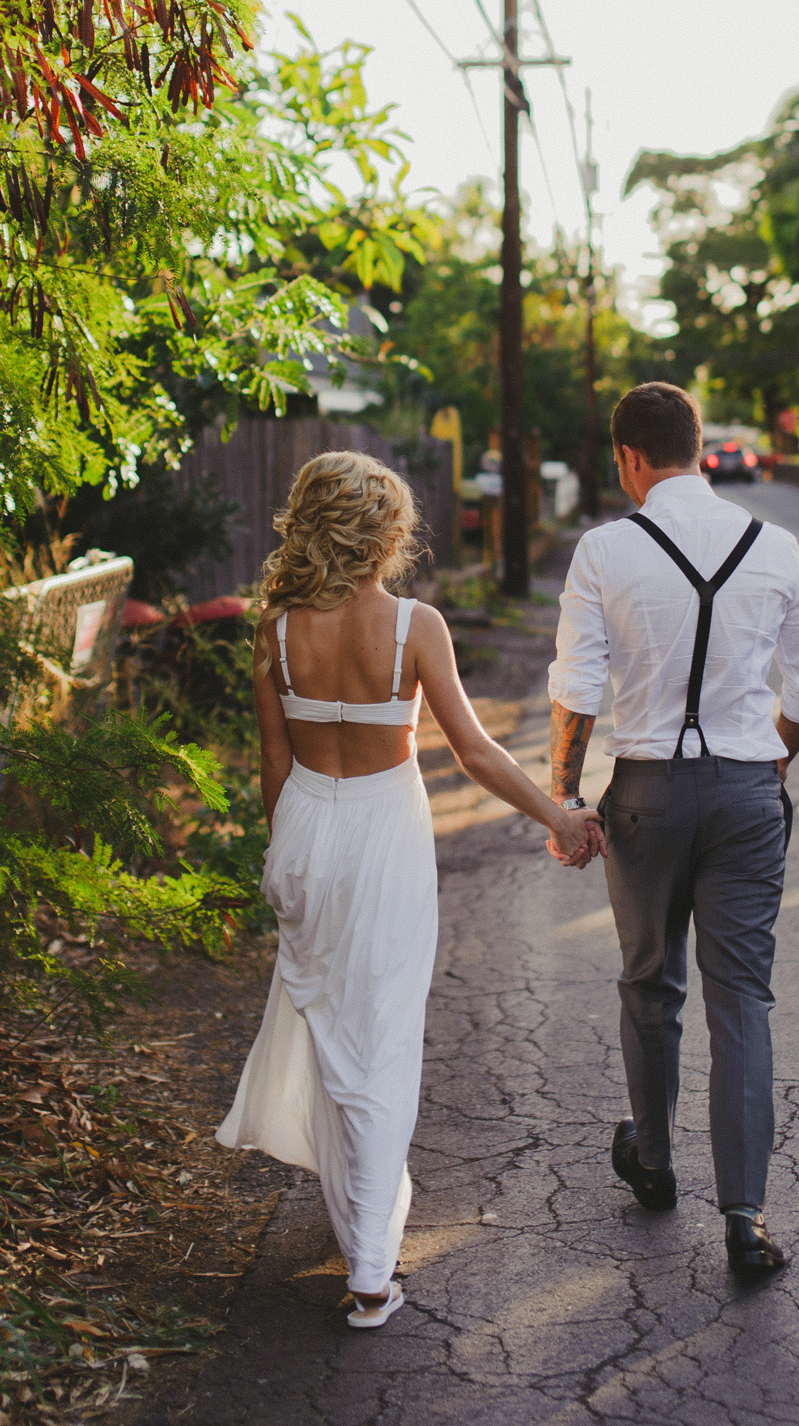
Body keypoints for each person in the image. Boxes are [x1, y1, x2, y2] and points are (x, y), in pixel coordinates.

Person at [216, 450, 599, 1329]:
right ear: (385, 532)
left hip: (308, 824)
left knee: (332, 1029)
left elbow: (273, 765)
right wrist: (558, 815)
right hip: (385, 833)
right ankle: (370, 1274)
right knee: (381, 1036)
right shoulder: (415, 626)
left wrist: (284, 862)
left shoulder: (274, 631)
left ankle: (357, 1220)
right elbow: (474, 751)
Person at [546, 382, 799, 1274]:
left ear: (630, 457)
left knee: (650, 983)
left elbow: (576, 694)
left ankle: (655, 1161)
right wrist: (770, 760)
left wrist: (567, 799)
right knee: (742, 1000)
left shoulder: (602, 552)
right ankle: (745, 1221)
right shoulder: (775, 546)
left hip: (645, 796)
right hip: (748, 796)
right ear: (700, 447)